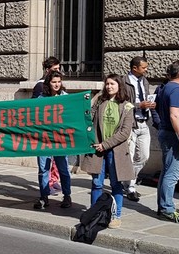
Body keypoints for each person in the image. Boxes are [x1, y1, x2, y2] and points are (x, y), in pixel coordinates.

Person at [81, 74, 135, 229]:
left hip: (115, 151)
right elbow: (88, 119)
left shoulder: (127, 106)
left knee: (116, 184)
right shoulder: (100, 101)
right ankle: (94, 213)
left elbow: (124, 132)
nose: (109, 87)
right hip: (97, 150)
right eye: (107, 84)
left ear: (119, 86)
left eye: (112, 84)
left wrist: (105, 145)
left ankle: (116, 216)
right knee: (96, 183)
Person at [156, 60, 179, 224]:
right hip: (173, 136)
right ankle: (167, 209)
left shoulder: (167, 87)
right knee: (172, 173)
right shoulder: (177, 90)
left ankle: (164, 205)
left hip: (168, 133)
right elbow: (174, 115)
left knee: (167, 171)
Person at [34, 70, 72, 210]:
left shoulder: (66, 97)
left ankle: (67, 196)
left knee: (63, 169)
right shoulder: (41, 99)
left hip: (60, 139)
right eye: (54, 82)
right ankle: (44, 196)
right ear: (48, 83)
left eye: (59, 82)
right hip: (44, 139)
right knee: (43, 169)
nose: (57, 84)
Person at [123, 56, 155, 202]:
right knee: (129, 156)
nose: (146, 70)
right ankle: (130, 186)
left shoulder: (144, 81)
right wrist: (138, 105)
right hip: (130, 123)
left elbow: (146, 97)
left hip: (144, 122)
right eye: (144, 67)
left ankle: (127, 180)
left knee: (144, 156)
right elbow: (122, 103)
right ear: (134, 68)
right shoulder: (124, 82)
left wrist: (150, 105)